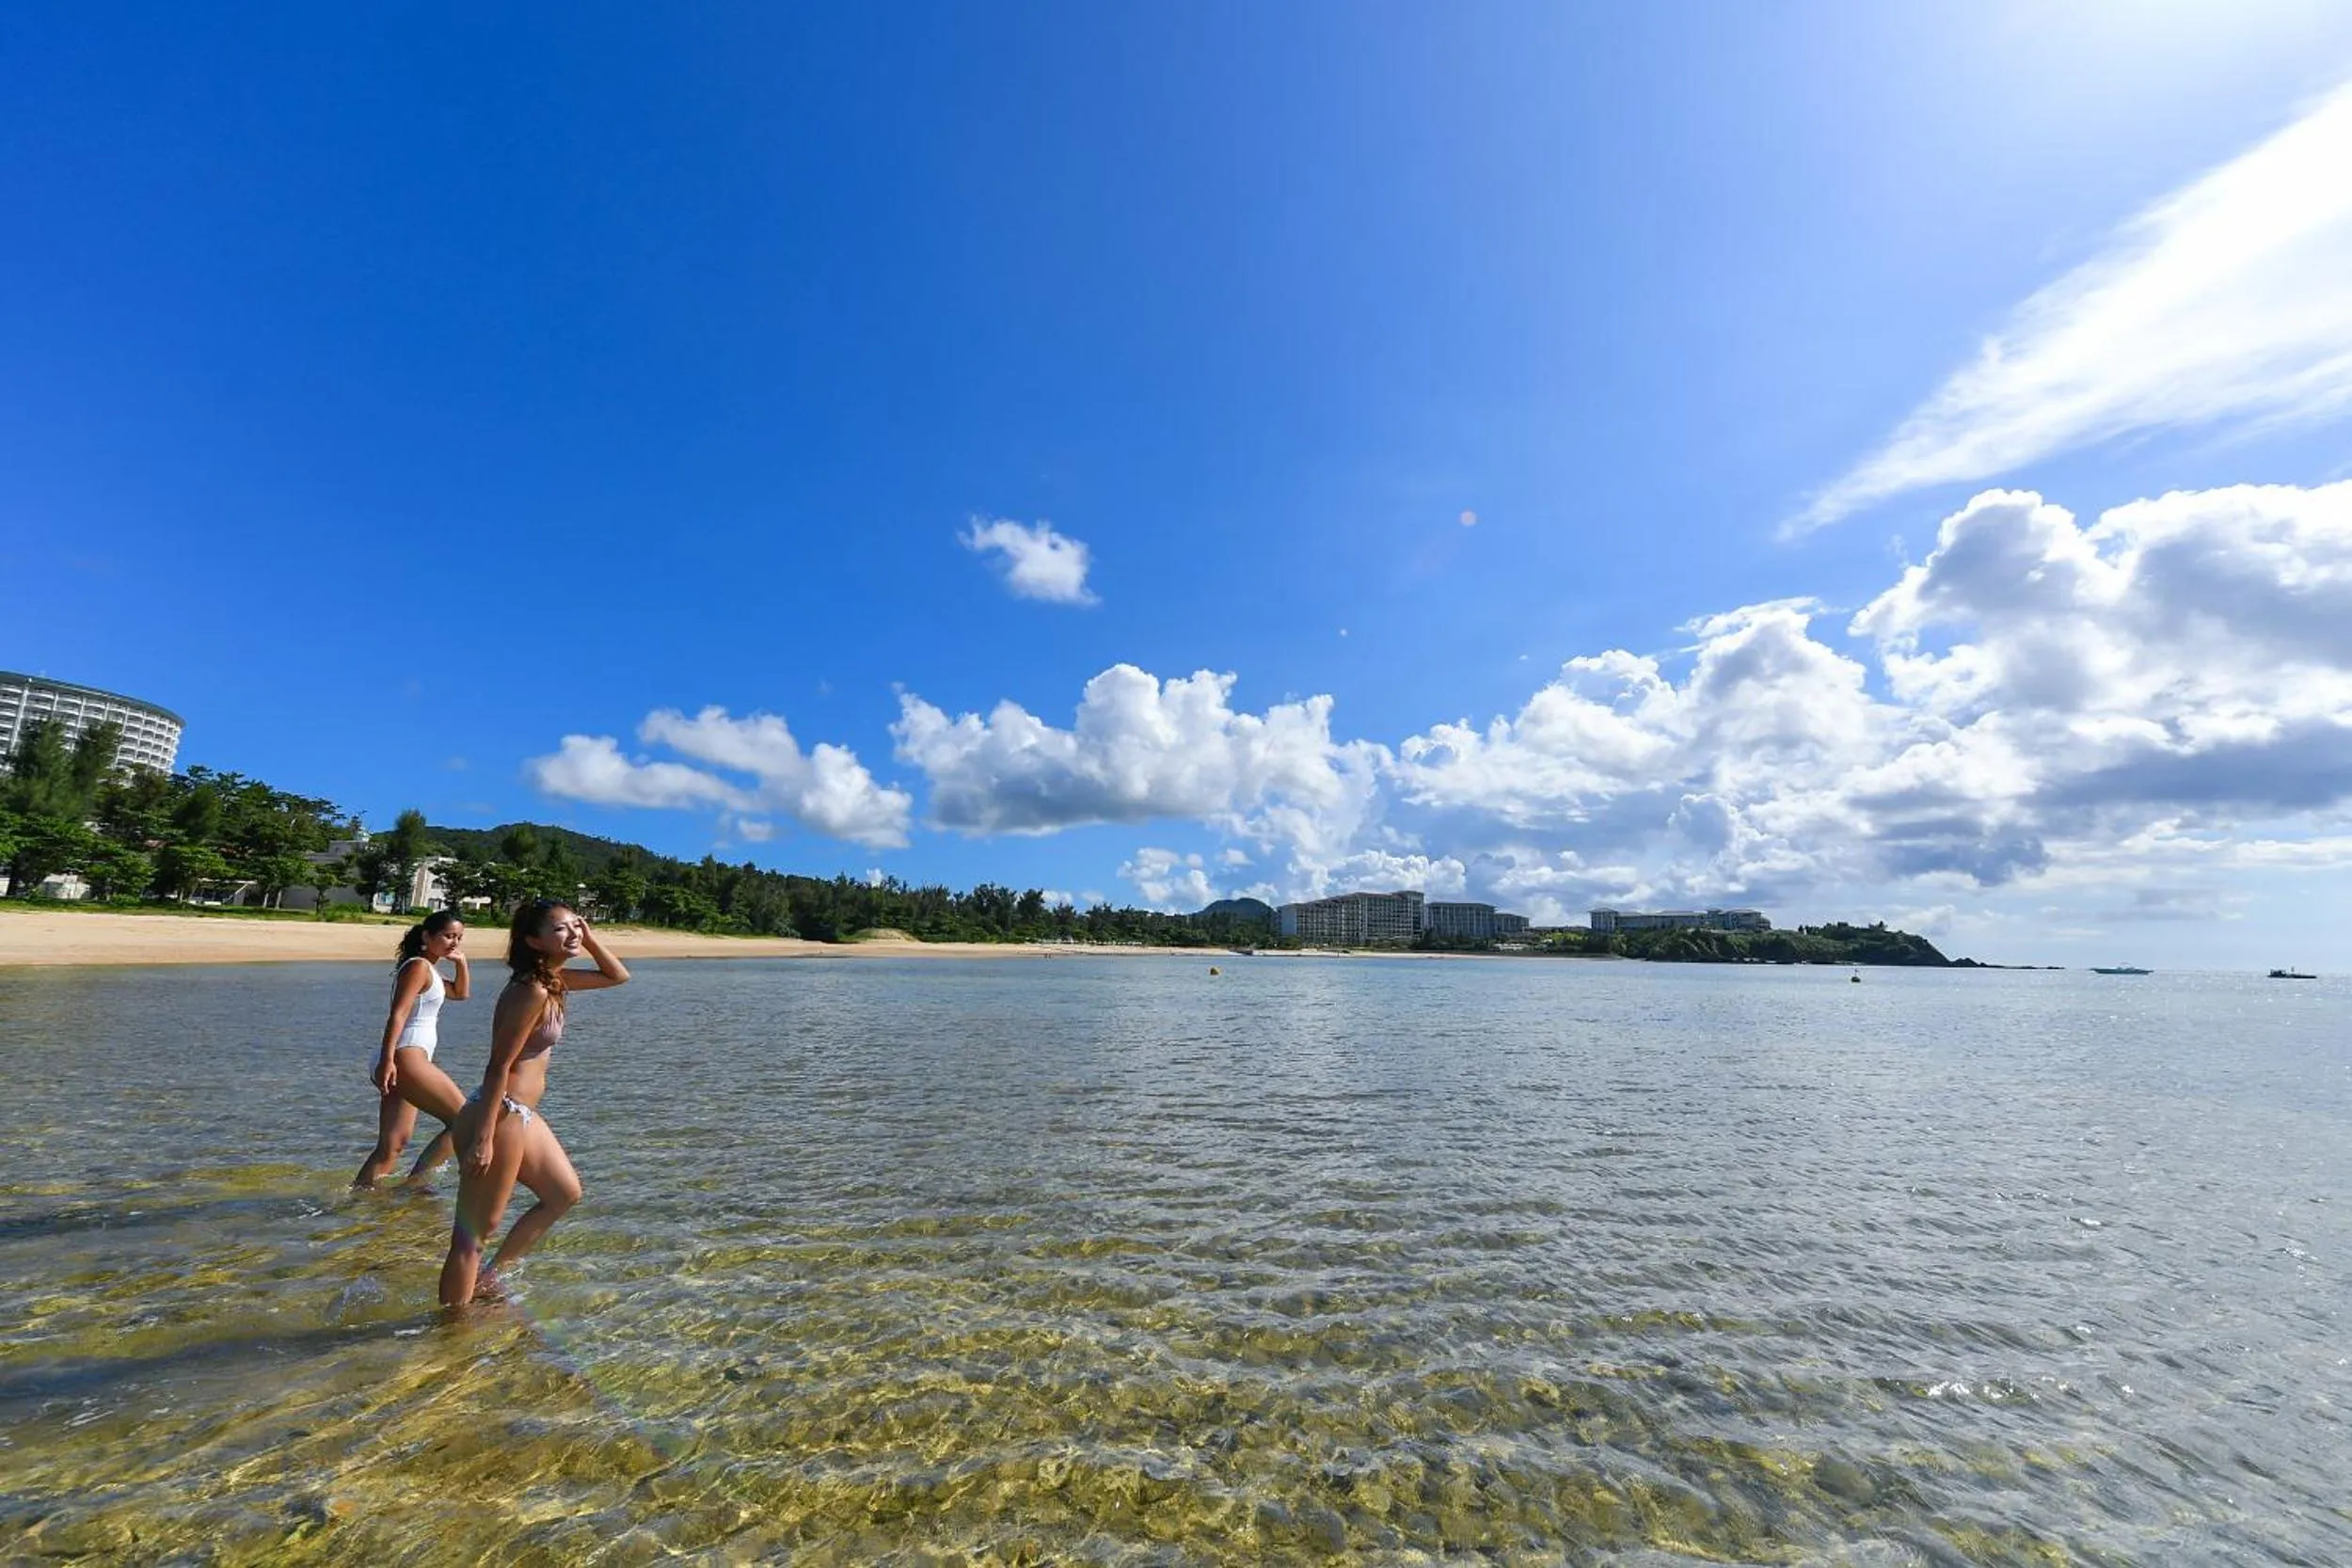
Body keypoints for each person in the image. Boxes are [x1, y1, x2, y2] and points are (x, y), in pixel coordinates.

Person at [438, 898, 628, 1307]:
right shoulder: (532, 989)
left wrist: (589, 938)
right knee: (474, 1234)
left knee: (563, 1193)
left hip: (522, 1115)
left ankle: (488, 1282)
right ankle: (452, 1327)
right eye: (561, 929)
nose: (573, 933)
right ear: (534, 941)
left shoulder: (554, 982)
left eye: (576, 925)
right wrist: (483, 1139)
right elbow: (497, 1066)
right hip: (500, 1112)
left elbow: (617, 976)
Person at [352, 911, 470, 1189]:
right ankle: (414, 1187)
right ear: (427, 936)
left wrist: (462, 963)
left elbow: (461, 994)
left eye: (459, 938)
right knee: (465, 1120)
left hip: (404, 1058)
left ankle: (358, 1200)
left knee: (392, 1146)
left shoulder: (430, 969)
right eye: (448, 936)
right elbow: (398, 1014)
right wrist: (388, 1059)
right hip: (405, 1057)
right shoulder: (417, 967)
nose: (454, 943)